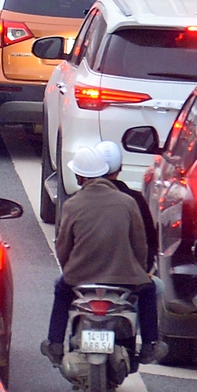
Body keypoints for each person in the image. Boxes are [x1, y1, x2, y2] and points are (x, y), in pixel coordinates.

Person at [43, 141, 163, 368]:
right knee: (149, 291)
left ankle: (55, 344)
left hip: (80, 279)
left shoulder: (72, 204)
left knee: (61, 291)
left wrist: (69, 270)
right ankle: (149, 344)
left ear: (79, 177)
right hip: (126, 279)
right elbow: (141, 245)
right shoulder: (128, 202)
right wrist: (138, 271)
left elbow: (63, 248)